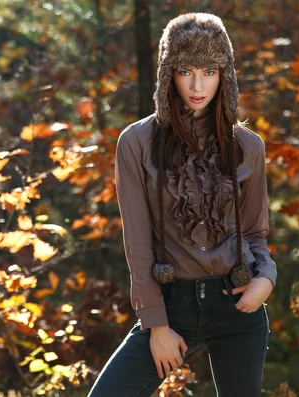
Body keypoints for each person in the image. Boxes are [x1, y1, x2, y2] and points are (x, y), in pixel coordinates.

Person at [87, 13, 277, 397]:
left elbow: (255, 232)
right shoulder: (137, 143)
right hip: (172, 306)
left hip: (237, 304)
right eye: (185, 71)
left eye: (209, 71)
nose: (197, 85)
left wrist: (266, 278)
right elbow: (138, 244)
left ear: (225, 73)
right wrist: (156, 324)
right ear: (167, 74)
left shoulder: (249, 146)